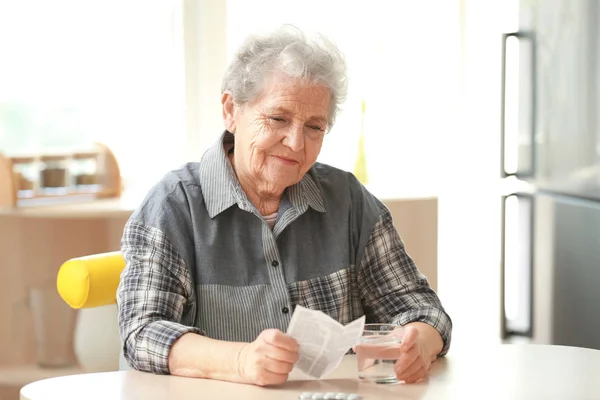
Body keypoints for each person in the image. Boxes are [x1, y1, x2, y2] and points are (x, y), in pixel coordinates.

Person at [117, 25, 452, 387]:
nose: (295, 143)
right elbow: (143, 333)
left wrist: (418, 342)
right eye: (278, 119)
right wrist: (241, 360)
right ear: (231, 110)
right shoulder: (173, 206)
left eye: (314, 127)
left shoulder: (349, 200)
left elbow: (422, 310)